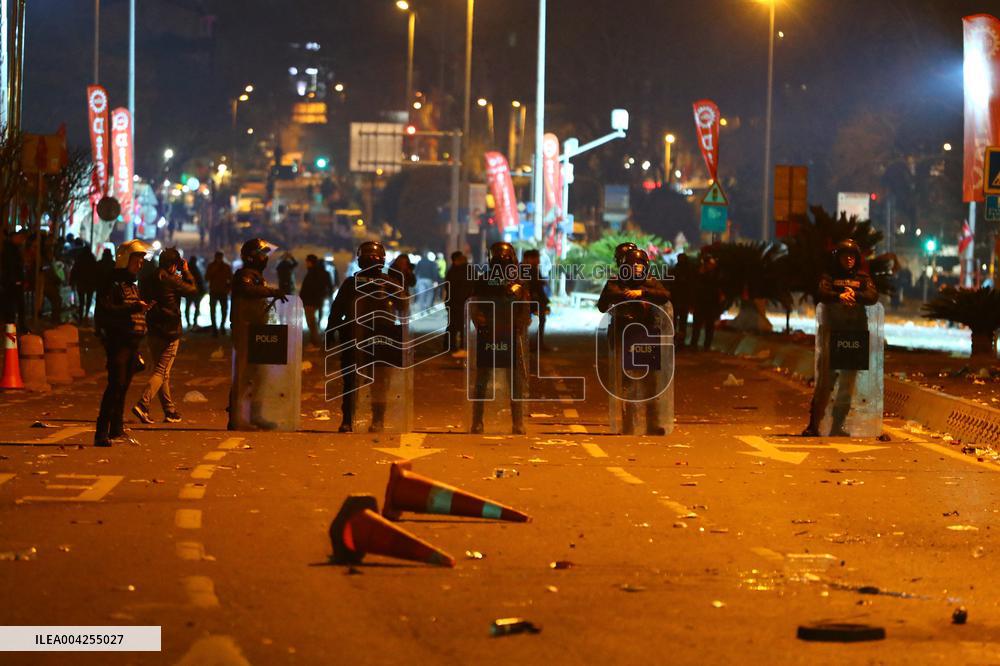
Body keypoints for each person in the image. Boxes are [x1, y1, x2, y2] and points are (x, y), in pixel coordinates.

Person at [803, 239, 879, 437]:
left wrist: (856, 295)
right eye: (845, 256)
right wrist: (838, 297)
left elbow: (872, 296)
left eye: (852, 256)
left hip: (855, 335)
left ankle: (838, 424)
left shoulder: (862, 278)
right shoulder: (829, 277)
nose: (849, 260)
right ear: (838, 258)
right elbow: (821, 292)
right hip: (832, 335)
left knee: (848, 384)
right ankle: (814, 424)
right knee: (825, 382)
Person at [327, 241, 402, 432]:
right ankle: (350, 419)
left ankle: (372, 420)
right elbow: (337, 310)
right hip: (357, 335)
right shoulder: (352, 283)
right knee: (356, 381)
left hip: (379, 336)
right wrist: (331, 331)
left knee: (374, 381)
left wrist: (331, 331)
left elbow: (404, 307)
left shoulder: (389, 283)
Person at [598, 247, 672, 435]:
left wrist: (642, 293)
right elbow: (603, 303)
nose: (638, 268)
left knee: (652, 384)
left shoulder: (650, 282)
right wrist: (626, 294)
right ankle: (629, 423)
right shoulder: (617, 281)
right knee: (629, 383)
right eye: (634, 264)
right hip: (626, 335)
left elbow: (664, 296)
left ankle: (652, 424)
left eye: (641, 265)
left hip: (648, 335)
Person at [93, 240, 153, 447]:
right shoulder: (112, 284)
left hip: (132, 342)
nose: (140, 265)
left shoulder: (131, 285)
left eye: (142, 261)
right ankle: (101, 432)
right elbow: (106, 311)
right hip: (118, 342)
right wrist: (133, 309)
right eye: (137, 260)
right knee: (115, 385)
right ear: (125, 260)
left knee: (124, 386)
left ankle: (116, 429)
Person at [469, 242, 531, 434]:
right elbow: (475, 305)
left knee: (515, 382)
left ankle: (517, 422)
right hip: (489, 333)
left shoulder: (519, 282)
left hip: (510, 332)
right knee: (482, 381)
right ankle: (477, 421)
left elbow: (524, 308)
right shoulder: (483, 280)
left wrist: (519, 326)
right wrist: (481, 323)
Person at [132, 248, 198, 425]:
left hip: (153, 328)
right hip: (170, 330)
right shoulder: (172, 280)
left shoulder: (148, 278)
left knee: (163, 373)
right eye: (176, 266)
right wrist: (186, 272)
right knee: (161, 371)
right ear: (173, 266)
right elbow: (192, 290)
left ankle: (170, 411)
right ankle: (143, 404)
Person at [228, 238, 284, 430]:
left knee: (259, 374)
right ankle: (237, 418)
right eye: (262, 255)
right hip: (245, 330)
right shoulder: (244, 274)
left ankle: (255, 415)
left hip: (257, 330)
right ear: (252, 257)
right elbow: (247, 289)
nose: (265, 258)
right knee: (243, 375)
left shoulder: (257, 275)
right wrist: (270, 291)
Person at [690, 252, 725, 351]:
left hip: (710, 304)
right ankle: (694, 345)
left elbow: (718, 289)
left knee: (709, 327)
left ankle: (706, 346)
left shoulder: (716, 275)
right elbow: (695, 289)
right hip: (701, 304)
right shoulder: (699, 274)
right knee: (697, 326)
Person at [442, 251, 473, 357]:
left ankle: (451, 346)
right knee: (461, 326)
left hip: (454, 302)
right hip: (462, 302)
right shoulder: (468, 269)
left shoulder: (453, 271)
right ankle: (461, 347)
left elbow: (449, 286)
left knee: (453, 326)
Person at [299, 254, 334, 348]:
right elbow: (329, 285)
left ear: (311, 262)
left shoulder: (312, 273)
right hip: (317, 299)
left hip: (310, 301)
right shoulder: (322, 272)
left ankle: (315, 343)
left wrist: (302, 297)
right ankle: (315, 341)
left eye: (307, 261)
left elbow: (308, 288)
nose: (306, 263)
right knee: (313, 322)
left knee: (311, 322)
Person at [521, 249, 551, 351]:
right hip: (528, 300)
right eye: (536, 258)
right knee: (539, 320)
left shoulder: (522, 268)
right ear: (528, 258)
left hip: (529, 300)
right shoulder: (526, 269)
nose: (538, 261)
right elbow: (536, 285)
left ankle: (534, 343)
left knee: (538, 320)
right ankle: (536, 344)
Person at [1, 229, 27, 332]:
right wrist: (15, 280)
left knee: (16, 305)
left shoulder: (13, 248)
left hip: (13, 281)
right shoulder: (10, 250)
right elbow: (10, 267)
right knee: (14, 305)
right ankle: (12, 329)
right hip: (12, 282)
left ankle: (14, 328)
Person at [669, 253, 696, 349]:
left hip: (679, 301)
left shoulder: (675, 271)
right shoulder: (686, 272)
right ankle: (678, 342)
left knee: (678, 323)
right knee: (680, 323)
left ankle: (677, 341)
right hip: (679, 301)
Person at [205, 251, 233, 336]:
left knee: (224, 311)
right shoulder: (211, 266)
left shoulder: (226, 267)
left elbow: (231, 279)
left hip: (222, 292)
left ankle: (222, 326)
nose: (219, 259)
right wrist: (214, 270)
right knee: (213, 311)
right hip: (214, 291)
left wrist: (228, 289)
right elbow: (206, 277)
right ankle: (214, 329)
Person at [70, 243, 100, 322]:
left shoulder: (80, 258)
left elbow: (74, 270)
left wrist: (72, 281)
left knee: (81, 301)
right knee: (89, 300)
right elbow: (96, 272)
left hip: (81, 283)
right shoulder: (92, 258)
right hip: (90, 283)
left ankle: (80, 316)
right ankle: (86, 314)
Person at [183, 255, 205, 329]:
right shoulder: (194, 269)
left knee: (189, 308)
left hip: (190, 292)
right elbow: (200, 281)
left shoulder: (188, 269)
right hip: (194, 292)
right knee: (195, 307)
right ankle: (193, 323)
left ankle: (190, 323)